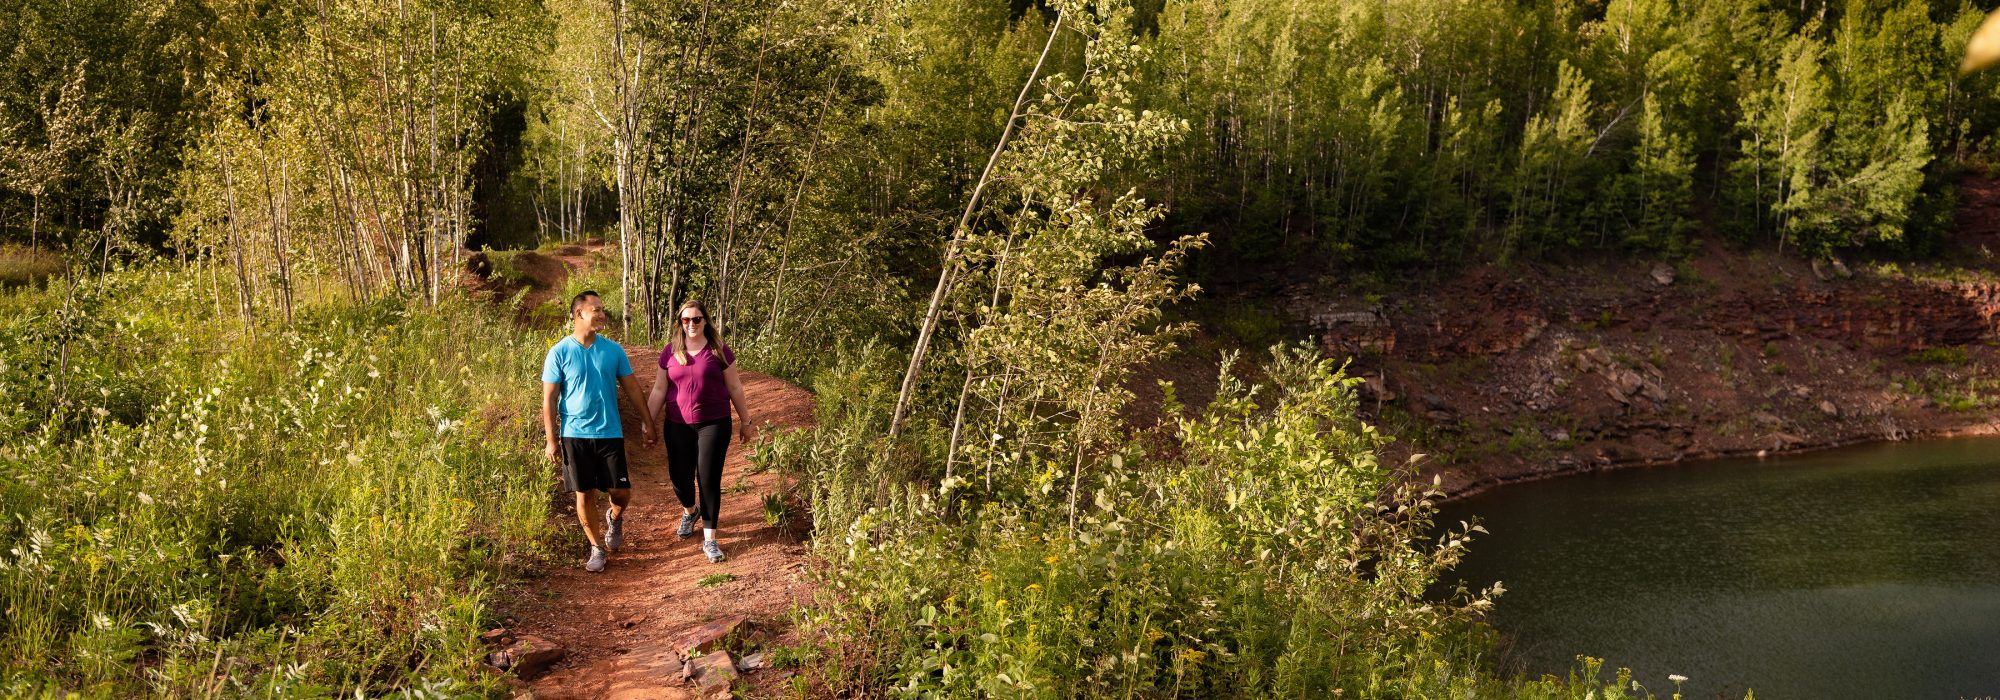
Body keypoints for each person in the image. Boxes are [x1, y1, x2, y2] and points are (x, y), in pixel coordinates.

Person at [542, 291, 652, 573]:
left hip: (609, 432)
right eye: (597, 309)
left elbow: (631, 388)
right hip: (574, 433)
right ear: (579, 314)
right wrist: (551, 440)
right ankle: (596, 547)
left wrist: (648, 421)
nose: (602, 314)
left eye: (603, 309)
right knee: (584, 492)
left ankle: (614, 518)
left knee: (621, 491)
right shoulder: (559, 352)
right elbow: (550, 399)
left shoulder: (613, 350)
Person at [645, 300, 756, 563]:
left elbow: (736, 388)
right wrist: (647, 422)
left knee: (707, 478)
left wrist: (746, 421)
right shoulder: (670, 352)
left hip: (714, 423)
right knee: (679, 478)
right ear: (680, 323)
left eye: (697, 319)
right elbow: (660, 390)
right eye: (686, 320)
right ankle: (690, 510)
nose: (691, 324)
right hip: (677, 423)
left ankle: (710, 540)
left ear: (705, 321)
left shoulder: (719, 350)